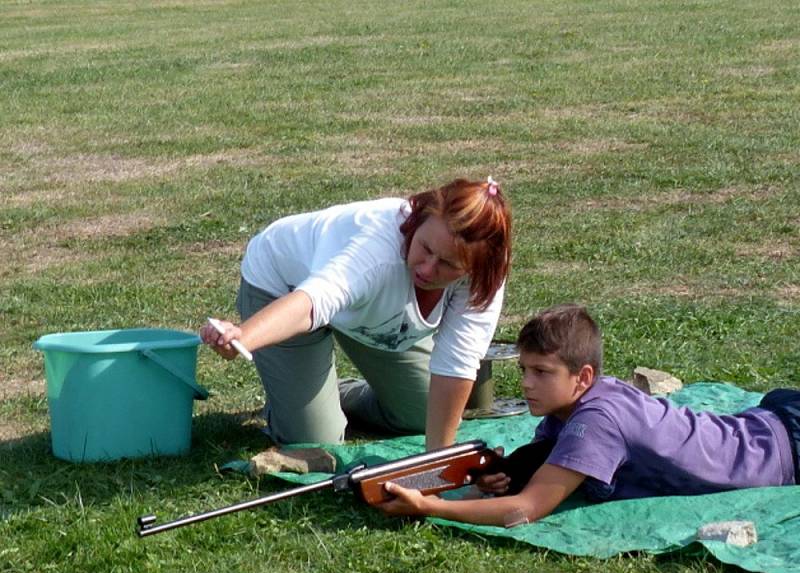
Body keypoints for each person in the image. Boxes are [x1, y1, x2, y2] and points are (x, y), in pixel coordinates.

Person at [377, 304, 799, 527]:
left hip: (789, 446)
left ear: (583, 376)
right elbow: (541, 460)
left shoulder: (593, 422)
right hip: (768, 420)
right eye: (524, 369)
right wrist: (503, 473)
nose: (525, 384)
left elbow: (524, 509)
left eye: (542, 372)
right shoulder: (576, 405)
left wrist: (430, 508)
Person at [200, 177, 512, 449]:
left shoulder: (485, 274)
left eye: (447, 265)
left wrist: (437, 461)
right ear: (417, 222)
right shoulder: (375, 249)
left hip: (366, 311)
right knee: (316, 441)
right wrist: (244, 337)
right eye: (425, 249)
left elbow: (459, 361)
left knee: (429, 415)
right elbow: (314, 301)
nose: (428, 268)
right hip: (285, 288)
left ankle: (333, 394)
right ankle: (290, 402)